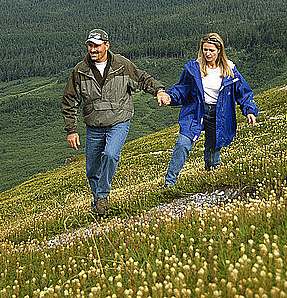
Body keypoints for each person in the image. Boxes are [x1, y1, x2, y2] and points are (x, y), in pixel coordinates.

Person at [62, 29, 170, 215]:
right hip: (94, 125)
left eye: (96, 45)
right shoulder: (80, 70)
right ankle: (99, 205)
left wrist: (159, 90)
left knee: (111, 154)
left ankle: (102, 195)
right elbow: (69, 100)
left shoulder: (122, 65)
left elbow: (142, 79)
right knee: (91, 170)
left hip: (119, 121)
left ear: (106, 45)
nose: (92, 49)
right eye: (90, 45)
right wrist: (71, 130)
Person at [163, 33, 258, 186]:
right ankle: (169, 183)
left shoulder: (229, 69)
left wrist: (250, 110)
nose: (208, 53)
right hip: (196, 112)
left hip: (219, 113)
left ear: (219, 50)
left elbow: (243, 92)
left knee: (213, 149)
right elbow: (182, 88)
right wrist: (169, 97)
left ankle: (211, 179)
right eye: (205, 50)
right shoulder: (193, 67)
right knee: (182, 144)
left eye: (211, 50)